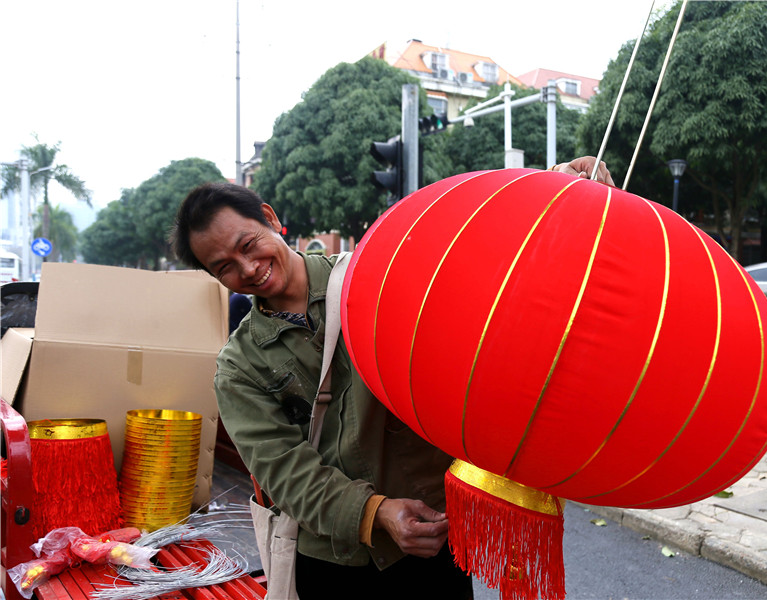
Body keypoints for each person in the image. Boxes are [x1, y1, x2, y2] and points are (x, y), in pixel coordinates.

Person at [169, 157, 611, 599]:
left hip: (431, 540)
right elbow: (284, 471)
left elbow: (464, 249)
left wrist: (550, 186)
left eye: (248, 244)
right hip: (332, 560)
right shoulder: (238, 366)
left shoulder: (374, 273)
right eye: (224, 266)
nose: (246, 269)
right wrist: (375, 513)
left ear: (270, 218)